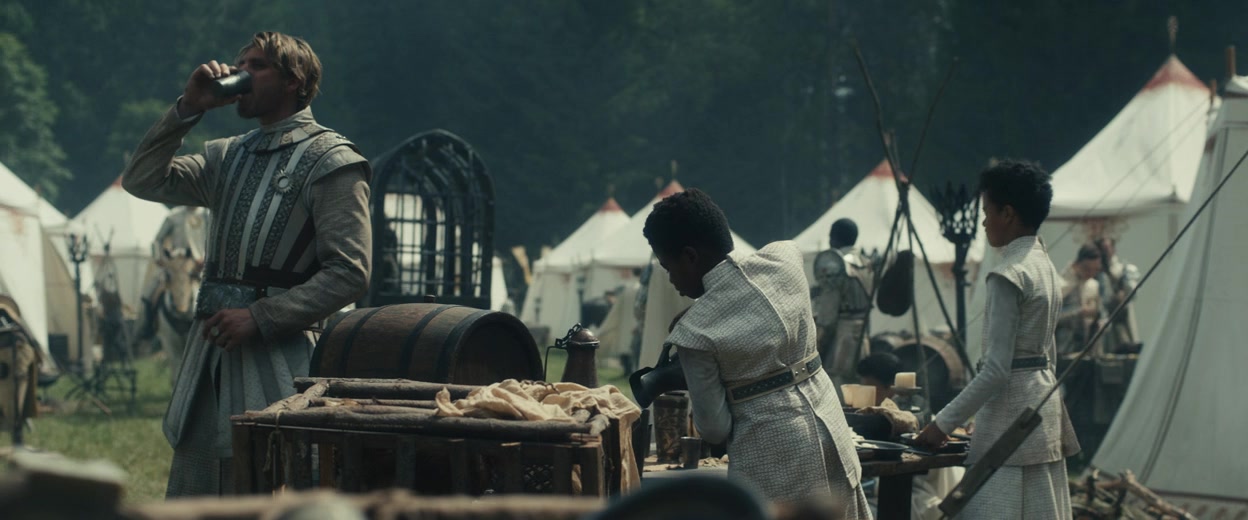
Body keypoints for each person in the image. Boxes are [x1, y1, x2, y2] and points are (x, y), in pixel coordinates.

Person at [121, 32, 372, 497]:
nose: (241, 75)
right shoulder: (226, 156)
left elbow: (349, 272)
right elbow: (141, 180)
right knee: (197, 490)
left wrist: (259, 316)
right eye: (240, 65)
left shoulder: (332, 161)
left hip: (284, 360)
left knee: (272, 487)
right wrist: (188, 108)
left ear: (294, 80)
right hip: (210, 353)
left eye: (257, 66)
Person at [643, 189, 869, 515]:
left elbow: (714, 429)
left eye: (668, 267)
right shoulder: (785, 260)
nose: (670, 279)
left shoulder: (694, 333)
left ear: (690, 257)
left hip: (772, 456)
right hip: (830, 429)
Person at [914, 160, 1079, 518]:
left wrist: (942, 424)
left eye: (987, 212)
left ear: (1007, 213)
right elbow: (1047, 354)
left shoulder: (1009, 274)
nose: (984, 222)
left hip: (1010, 419)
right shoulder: (1044, 265)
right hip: (1041, 406)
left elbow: (996, 371)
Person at [812, 218, 875, 383]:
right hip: (863, 334)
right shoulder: (867, 262)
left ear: (834, 237)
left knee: (838, 384)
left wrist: (819, 339)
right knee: (860, 384)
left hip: (841, 338)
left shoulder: (836, 265)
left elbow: (828, 312)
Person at [1094, 237, 1141, 353]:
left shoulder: (1123, 268)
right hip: (1105, 315)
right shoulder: (1097, 271)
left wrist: (1123, 293)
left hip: (1121, 313)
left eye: (1107, 248)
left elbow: (1132, 292)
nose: (1105, 252)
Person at [1056, 244, 1103, 356]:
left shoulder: (1093, 285)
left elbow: (1101, 314)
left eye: (1095, 270)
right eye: (1087, 269)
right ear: (1077, 264)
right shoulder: (1061, 285)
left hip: (1087, 349)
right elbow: (1053, 318)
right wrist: (1079, 312)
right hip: (1063, 349)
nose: (1091, 274)